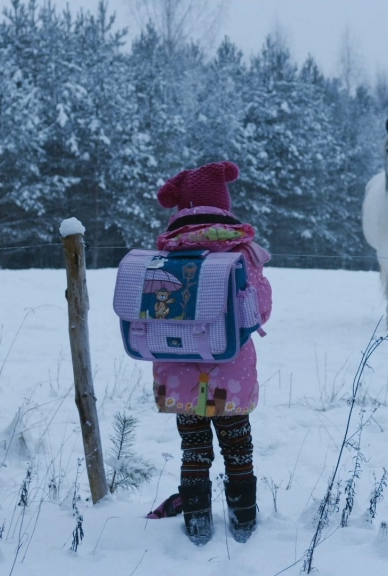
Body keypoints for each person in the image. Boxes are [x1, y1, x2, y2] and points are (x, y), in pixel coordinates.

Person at [145, 161, 272, 545]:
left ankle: (198, 527)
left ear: (182, 208)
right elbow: (261, 308)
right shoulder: (241, 251)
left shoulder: (168, 251)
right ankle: (244, 522)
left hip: (180, 373)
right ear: (224, 204)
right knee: (238, 446)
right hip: (230, 372)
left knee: (194, 449)